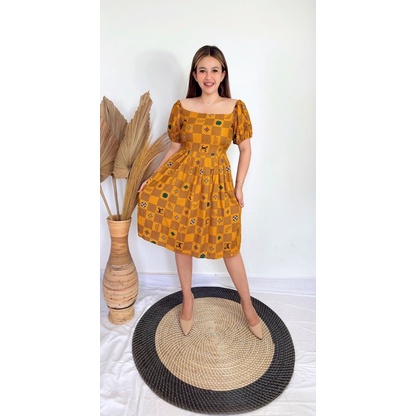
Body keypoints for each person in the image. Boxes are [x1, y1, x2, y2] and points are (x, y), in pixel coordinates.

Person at [137, 45, 262, 339]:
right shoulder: (182, 106)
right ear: (194, 75)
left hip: (218, 184)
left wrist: (239, 187)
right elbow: (175, 147)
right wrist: (153, 178)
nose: (208, 76)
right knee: (182, 241)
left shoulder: (235, 108)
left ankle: (247, 305)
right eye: (202, 70)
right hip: (183, 181)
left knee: (230, 245)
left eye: (214, 70)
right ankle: (188, 298)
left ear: (223, 74)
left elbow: (245, 149)